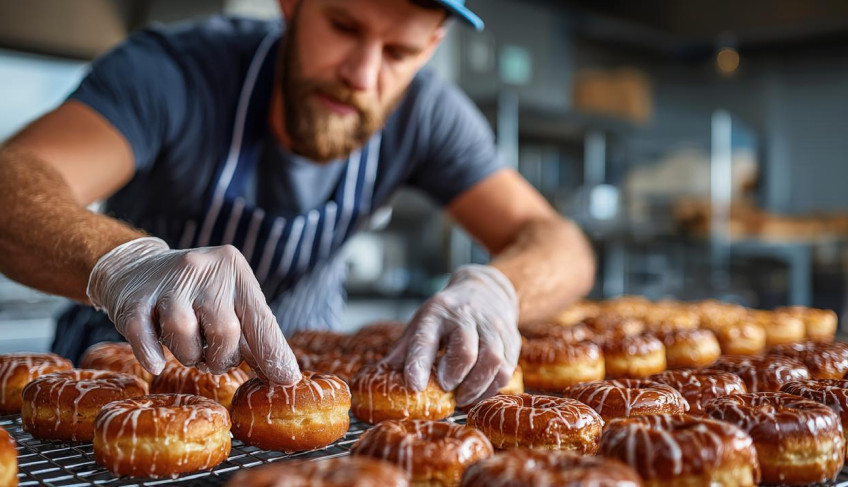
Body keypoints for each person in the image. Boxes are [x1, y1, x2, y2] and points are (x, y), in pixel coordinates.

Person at [0, 0, 594, 407]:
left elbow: (558, 241)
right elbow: (13, 181)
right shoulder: (174, 73)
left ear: (433, 45)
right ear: (291, 3)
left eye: (398, 52)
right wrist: (126, 263)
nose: (362, 75)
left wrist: (500, 288)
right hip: (119, 387)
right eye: (342, 25)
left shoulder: (427, 114)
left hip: (299, 396)